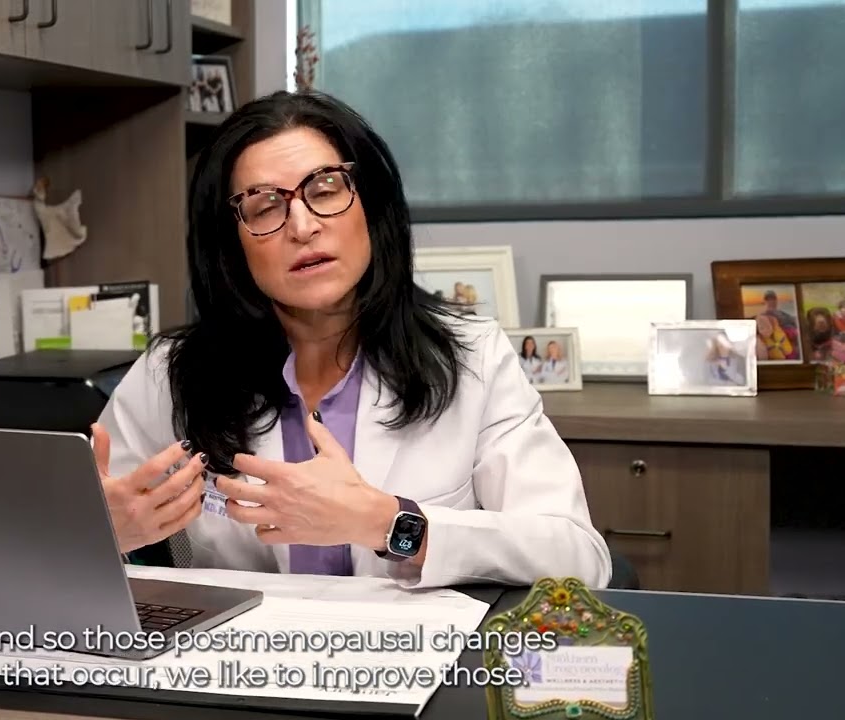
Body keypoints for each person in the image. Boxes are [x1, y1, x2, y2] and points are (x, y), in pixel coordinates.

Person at [93, 90, 611, 590]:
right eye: (265, 206)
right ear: (231, 244)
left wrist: (387, 523)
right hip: (241, 648)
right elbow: (70, 547)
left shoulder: (471, 356)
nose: (302, 226)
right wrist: (108, 536)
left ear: (372, 208)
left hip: (414, 646)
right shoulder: (172, 374)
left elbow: (577, 558)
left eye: (324, 190)